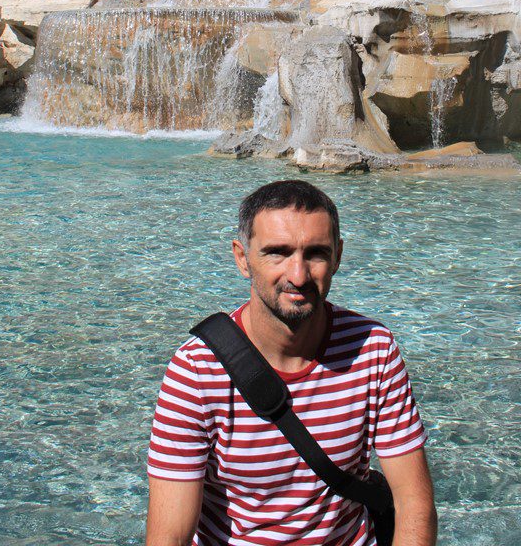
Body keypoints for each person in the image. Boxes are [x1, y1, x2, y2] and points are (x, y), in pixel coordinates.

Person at [145, 180, 437, 546]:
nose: (298, 276)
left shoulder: (373, 349)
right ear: (242, 258)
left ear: (338, 256)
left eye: (315, 253)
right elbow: (169, 535)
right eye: (277, 253)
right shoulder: (196, 370)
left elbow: (414, 503)